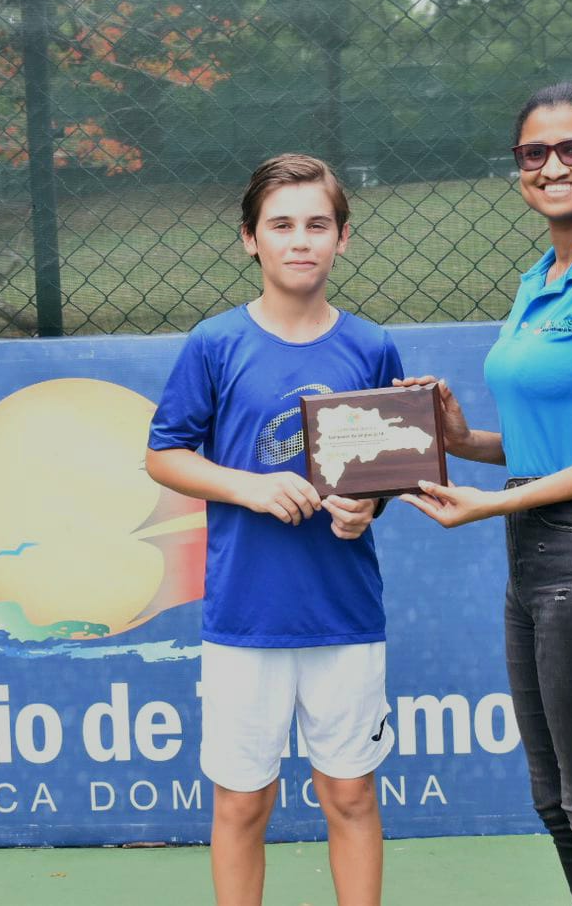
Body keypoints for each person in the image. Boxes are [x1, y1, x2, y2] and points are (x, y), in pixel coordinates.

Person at [398, 83, 572, 906]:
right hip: (541, 555)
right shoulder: (542, 276)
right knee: (555, 800)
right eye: (534, 154)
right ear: (519, 169)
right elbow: (558, 439)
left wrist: (493, 503)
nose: (554, 167)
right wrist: (461, 441)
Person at [146, 152, 401, 906]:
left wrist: (367, 507)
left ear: (343, 238)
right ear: (249, 240)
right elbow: (164, 456)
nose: (300, 240)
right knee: (242, 804)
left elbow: (385, 473)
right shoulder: (216, 344)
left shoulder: (372, 347)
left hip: (344, 615)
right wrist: (251, 488)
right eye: (281, 224)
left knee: (350, 796)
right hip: (245, 617)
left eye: (317, 224)